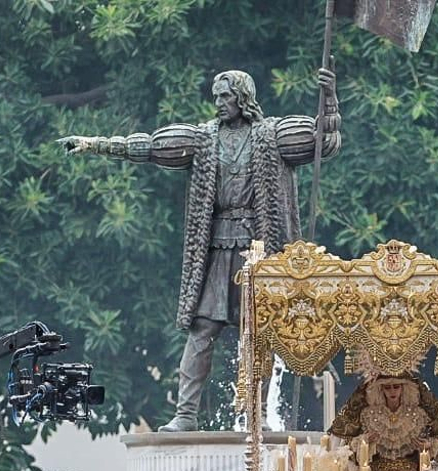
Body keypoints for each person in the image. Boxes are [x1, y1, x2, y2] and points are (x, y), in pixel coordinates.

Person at [60, 68, 341, 432]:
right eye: (216, 96)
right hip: (217, 249)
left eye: (225, 96)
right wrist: (94, 143)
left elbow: (325, 141)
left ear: (243, 97)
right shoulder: (203, 139)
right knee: (202, 330)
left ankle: (257, 416)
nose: (219, 103)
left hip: (260, 250)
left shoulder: (271, 135)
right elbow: (147, 147)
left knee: (260, 333)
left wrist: (330, 98)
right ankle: (186, 414)